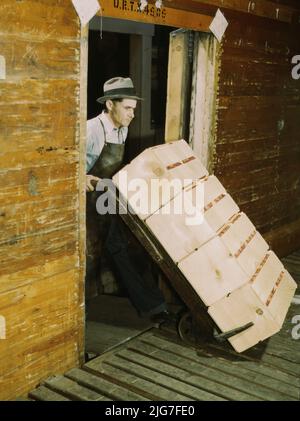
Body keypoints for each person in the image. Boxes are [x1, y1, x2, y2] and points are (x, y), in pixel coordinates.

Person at [86, 77, 170, 321]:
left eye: (134, 109)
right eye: (128, 108)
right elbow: (70, 169)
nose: (132, 114)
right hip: (85, 207)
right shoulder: (91, 130)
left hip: (107, 201)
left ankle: (153, 307)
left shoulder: (122, 128)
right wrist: (85, 180)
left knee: (125, 249)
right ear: (110, 104)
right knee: (88, 258)